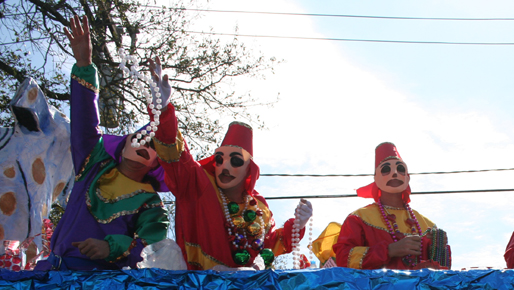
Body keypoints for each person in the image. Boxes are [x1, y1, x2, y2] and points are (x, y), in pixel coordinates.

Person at [149, 61, 311, 270]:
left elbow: (270, 247)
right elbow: (176, 156)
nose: (225, 166)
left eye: (235, 161)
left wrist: (298, 224)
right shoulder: (200, 184)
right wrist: (163, 112)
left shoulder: (260, 208)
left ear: (248, 170)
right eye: (220, 159)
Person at [38, 15, 168, 271]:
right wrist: (84, 64)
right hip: (52, 273)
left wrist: (112, 247)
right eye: (139, 137)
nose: (145, 142)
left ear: (156, 162)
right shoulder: (94, 165)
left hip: (101, 287)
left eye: (153, 145)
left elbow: (154, 246)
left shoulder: (150, 202)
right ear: (123, 145)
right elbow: (85, 125)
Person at [330, 142, 450, 269]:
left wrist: (439, 248)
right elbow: (343, 259)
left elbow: (442, 272)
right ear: (375, 178)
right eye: (386, 169)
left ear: (407, 178)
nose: (394, 173)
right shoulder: (358, 218)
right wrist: (389, 250)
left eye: (401, 169)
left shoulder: (427, 225)